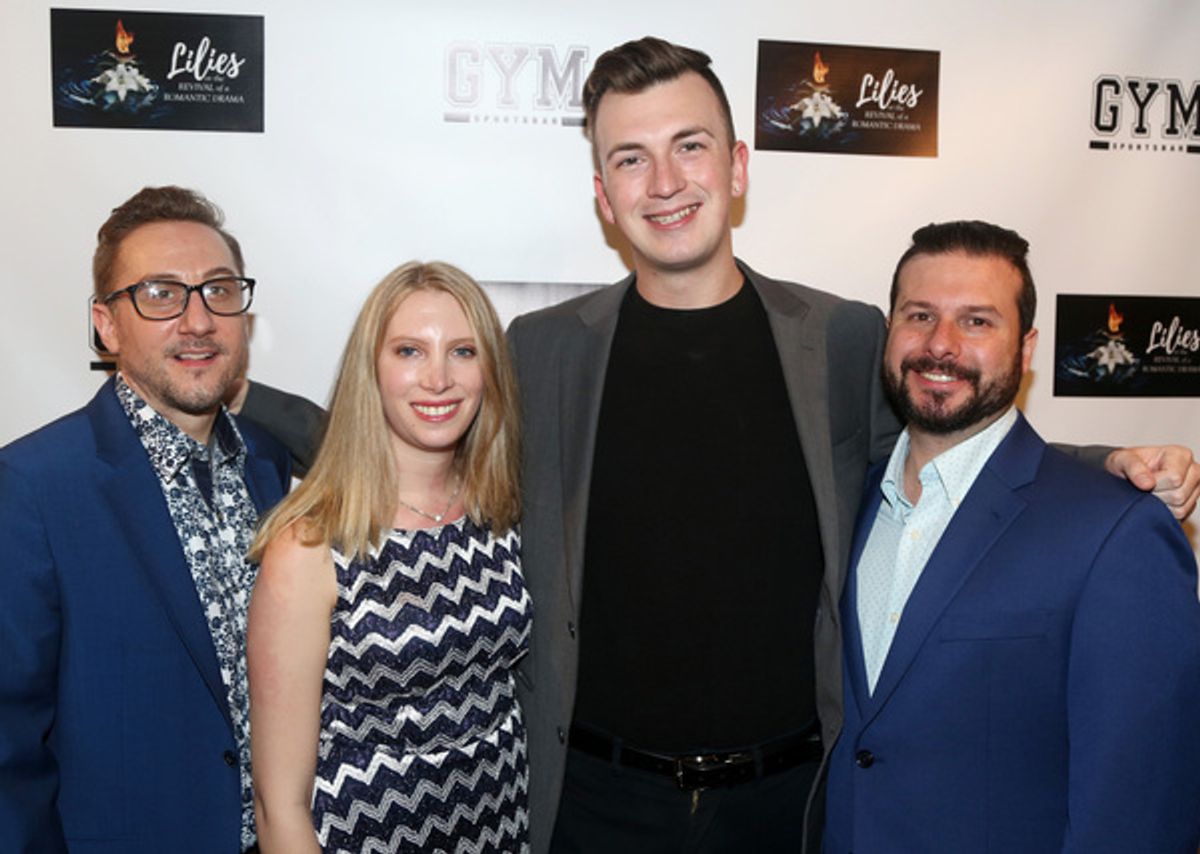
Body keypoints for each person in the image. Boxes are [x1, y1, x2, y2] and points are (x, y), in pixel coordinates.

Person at [503, 37, 1200, 853]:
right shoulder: (540, 350)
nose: (664, 183)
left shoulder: (837, 337)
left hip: (791, 808)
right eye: (631, 158)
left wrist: (1109, 469)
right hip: (595, 805)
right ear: (602, 193)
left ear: (736, 165)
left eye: (688, 146)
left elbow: (946, 447)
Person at [824, 220, 1200, 852]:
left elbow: (1144, 808)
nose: (940, 345)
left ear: (1025, 350)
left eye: (977, 321)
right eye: (919, 315)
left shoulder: (1116, 531)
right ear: (890, 331)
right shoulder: (845, 503)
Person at [0, 185, 291, 852]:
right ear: (107, 324)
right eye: (160, 294)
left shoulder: (267, 465)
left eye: (218, 290)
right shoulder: (32, 489)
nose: (198, 321)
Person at [247, 261, 531, 853]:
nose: (438, 379)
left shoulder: (500, 512)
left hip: (504, 830)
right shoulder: (310, 546)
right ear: (370, 371)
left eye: (462, 351)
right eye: (408, 351)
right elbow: (280, 808)